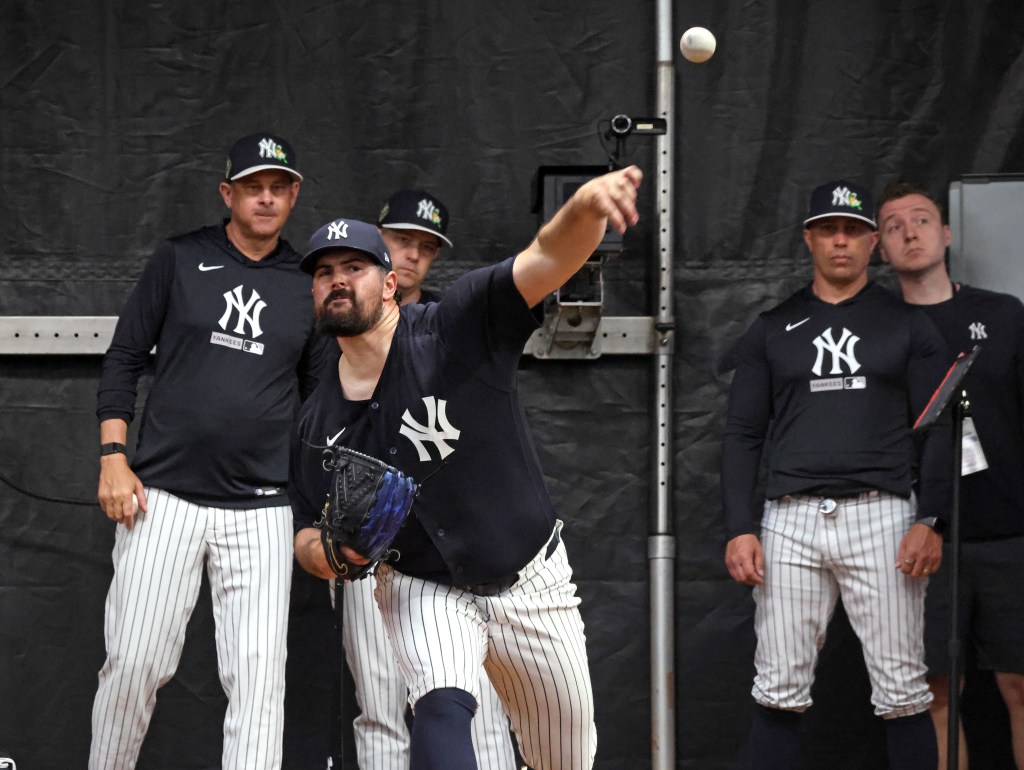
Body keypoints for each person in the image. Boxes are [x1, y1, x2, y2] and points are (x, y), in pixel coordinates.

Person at [289, 165, 643, 770]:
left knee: (566, 758)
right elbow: (305, 535)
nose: (337, 280)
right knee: (441, 704)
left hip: (530, 577)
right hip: (423, 584)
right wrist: (335, 555)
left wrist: (585, 208)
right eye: (324, 272)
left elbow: (546, 259)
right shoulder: (318, 423)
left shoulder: (456, 330)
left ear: (392, 282)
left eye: (354, 267)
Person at [91, 132, 336, 770]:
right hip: (163, 498)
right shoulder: (179, 259)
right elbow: (123, 359)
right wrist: (113, 455)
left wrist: (310, 505)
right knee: (134, 663)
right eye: (252, 187)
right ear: (227, 193)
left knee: (257, 684)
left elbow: (317, 400)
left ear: (294, 195)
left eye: (277, 187)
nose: (265, 198)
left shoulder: (305, 282)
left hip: (261, 509)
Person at [721, 179, 952, 770]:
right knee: (778, 687)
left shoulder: (907, 325)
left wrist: (933, 519)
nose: (841, 241)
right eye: (829, 230)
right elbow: (743, 434)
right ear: (809, 240)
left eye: (852, 230)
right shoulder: (774, 326)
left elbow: (942, 430)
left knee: (903, 691)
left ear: (873, 242)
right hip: (791, 517)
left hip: (884, 513)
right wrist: (739, 527)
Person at [341, 188, 517, 769]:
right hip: (372, 541)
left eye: (425, 247)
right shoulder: (337, 328)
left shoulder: (448, 327)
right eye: (400, 241)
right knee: (381, 701)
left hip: (447, 546)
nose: (412, 256)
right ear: (376, 241)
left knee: (477, 701)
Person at [878, 181, 1024, 770]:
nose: (909, 232)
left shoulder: (1003, 314)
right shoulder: (878, 330)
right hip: (919, 538)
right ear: (880, 249)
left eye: (921, 220)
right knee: (936, 692)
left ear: (946, 233)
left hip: (1010, 533)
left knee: (1020, 686)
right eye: (892, 226)